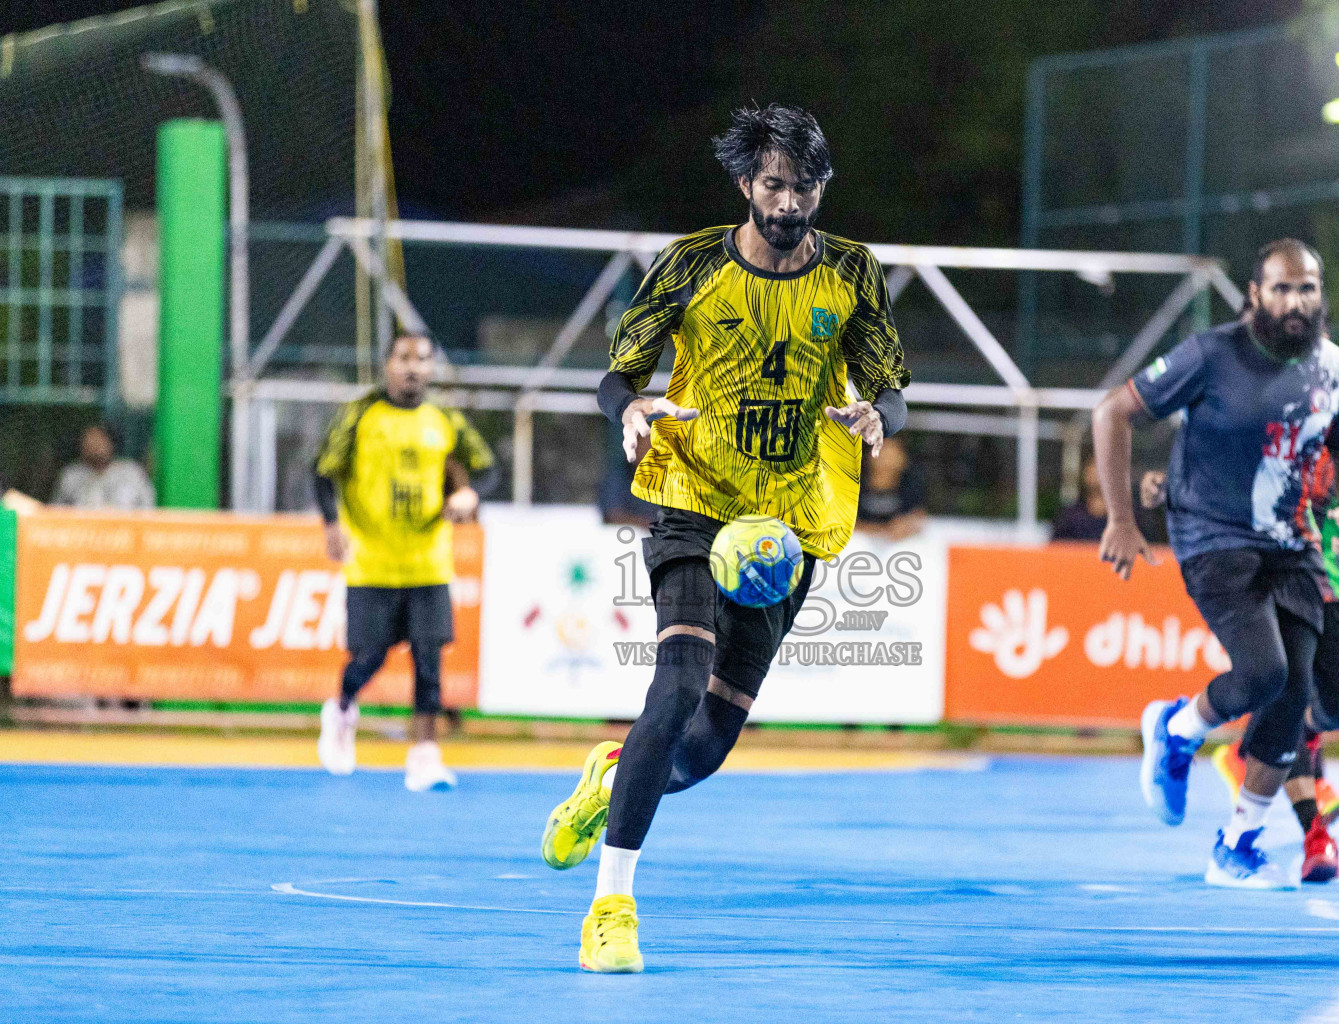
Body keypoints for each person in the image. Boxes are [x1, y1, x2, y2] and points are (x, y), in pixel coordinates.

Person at [538, 103, 909, 973]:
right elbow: (618, 373)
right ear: (747, 185)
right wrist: (629, 406)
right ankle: (612, 908)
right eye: (774, 184)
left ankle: (610, 776)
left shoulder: (853, 273)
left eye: (804, 185)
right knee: (671, 689)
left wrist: (875, 415)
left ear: (822, 188)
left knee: (699, 750)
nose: (789, 201)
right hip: (692, 501)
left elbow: (892, 386)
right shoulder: (692, 262)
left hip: (788, 530)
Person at [1094, 238, 1339, 890]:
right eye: (1281, 288)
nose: (1296, 301)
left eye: (1307, 288)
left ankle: (1236, 843)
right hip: (1213, 537)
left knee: (1296, 692)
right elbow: (1113, 411)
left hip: (1296, 545)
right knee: (1266, 671)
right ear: (1254, 295)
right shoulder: (1211, 355)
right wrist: (1122, 519)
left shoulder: (1338, 370)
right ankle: (1179, 728)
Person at [1147, 360, 1339, 884]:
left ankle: (1251, 749)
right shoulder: (1242, 378)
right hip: (1279, 560)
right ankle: (1309, 834)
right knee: (1285, 687)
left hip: (1335, 562)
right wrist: (1172, 487)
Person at [312, 333, 497, 792]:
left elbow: (488, 468)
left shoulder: (445, 420)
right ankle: (340, 708)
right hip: (373, 562)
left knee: (429, 659)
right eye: (403, 358)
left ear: (431, 368)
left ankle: (425, 756)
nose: (412, 367)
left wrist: (469, 493)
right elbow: (322, 472)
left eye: (422, 359)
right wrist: (332, 524)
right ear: (387, 364)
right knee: (369, 658)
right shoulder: (360, 415)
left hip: (428, 562)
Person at [52, 425, 155, 510]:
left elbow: (148, 508)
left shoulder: (131, 472)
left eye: (99, 440)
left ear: (110, 442)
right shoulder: (71, 475)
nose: (95, 446)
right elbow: (57, 511)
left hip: (125, 531)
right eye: (90, 441)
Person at [857, 434, 925, 540]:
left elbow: (918, 516)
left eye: (892, 455)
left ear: (903, 459)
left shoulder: (910, 484)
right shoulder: (854, 483)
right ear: (869, 456)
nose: (887, 461)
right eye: (882, 453)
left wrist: (906, 525)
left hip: (896, 543)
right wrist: (878, 530)